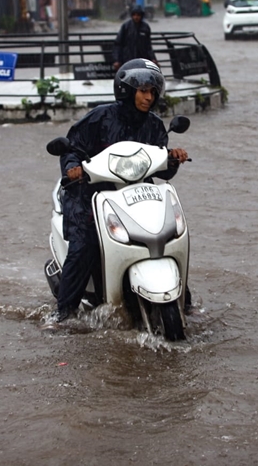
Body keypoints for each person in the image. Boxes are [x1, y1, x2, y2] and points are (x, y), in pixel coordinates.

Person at [55, 59, 188, 322]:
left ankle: (185, 298)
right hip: (90, 194)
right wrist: (73, 168)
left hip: (136, 194)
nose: (148, 97)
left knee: (166, 238)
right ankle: (63, 314)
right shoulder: (99, 118)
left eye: (152, 92)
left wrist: (172, 158)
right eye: (143, 91)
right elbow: (72, 148)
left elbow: (162, 171)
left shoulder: (154, 125)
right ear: (126, 89)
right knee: (85, 246)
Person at [112, 5, 157, 71]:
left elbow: (148, 45)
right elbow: (118, 44)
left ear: (141, 16)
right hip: (127, 59)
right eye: (134, 15)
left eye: (138, 15)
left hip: (142, 60)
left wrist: (153, 58)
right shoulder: (126, 26)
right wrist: (117, 60)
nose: (136, 17)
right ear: (132, 15)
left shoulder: (145, 27)